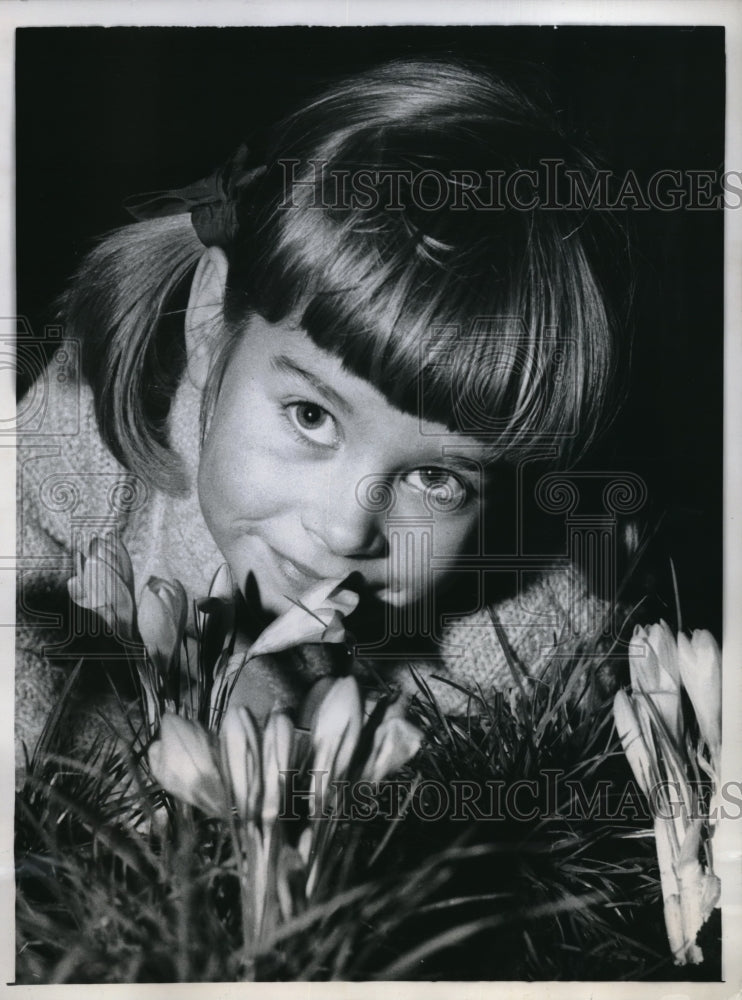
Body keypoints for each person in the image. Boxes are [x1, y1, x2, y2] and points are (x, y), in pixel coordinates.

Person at [16, 57, 627, 784]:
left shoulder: (519, 629)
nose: (346, 530)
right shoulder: (86, 426)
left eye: (436, 477)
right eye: (310, 416)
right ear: (212, 320)